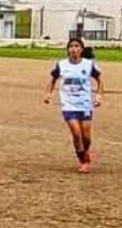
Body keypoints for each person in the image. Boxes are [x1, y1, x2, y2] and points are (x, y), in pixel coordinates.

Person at [44, 37, 104, 173]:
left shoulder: (88, 64)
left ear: (81, 49)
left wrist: (99, 96)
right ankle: (83, 161)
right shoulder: (62, 65)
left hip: (85, 104)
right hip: (69, 105)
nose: (74, 49)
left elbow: (99, 79)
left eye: (77, 46)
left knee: (86, 138)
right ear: (68, 49)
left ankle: (86, 151)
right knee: (76, 134)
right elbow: (53, 80)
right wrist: (48, 94)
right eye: (71, 46)